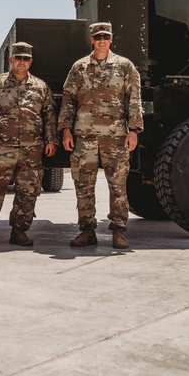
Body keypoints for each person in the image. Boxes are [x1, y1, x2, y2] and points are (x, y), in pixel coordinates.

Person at [58, 22, 143, 249]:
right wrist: (65, 130)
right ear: (92, 40)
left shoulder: (124, 66)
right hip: (84, 136)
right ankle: (87, 231)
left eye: (105, 36)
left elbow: (134, 99)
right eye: (98, 37)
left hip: (115, 136)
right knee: (83, 185)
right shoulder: (79, 67)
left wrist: (133, 130)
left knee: (118, 185)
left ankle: (119, 231)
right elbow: (68, 100)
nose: (102, 41)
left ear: (111, 39)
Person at [0, 42, 59, 248]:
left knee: (28, 191)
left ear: (30, 62)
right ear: (11, 60)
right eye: (18, 58)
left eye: (26, 59)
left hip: (32, 148)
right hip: (2, 147)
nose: (21, 62)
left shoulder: (40, 87)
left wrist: (51, 140)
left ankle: (19, 231)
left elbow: (49, 116)